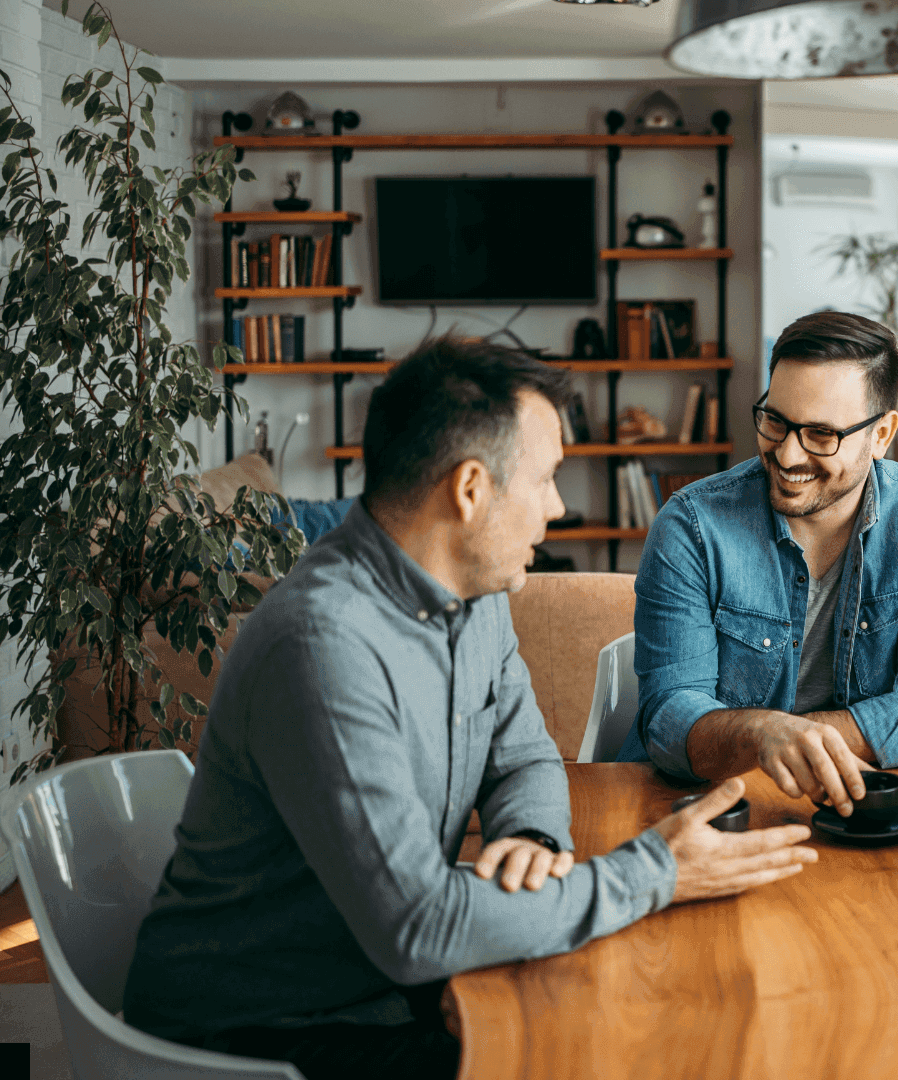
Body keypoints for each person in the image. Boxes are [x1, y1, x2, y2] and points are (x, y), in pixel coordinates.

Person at [122, 337, 818, 1080]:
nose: (556, 506)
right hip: (255, 1034)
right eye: (547, 478)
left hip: (378, 985)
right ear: (470, 489)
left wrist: (533, 841)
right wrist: (656, 874)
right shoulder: (323, 647)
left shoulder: (472, 595)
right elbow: (418, 929)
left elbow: (523, 756)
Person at [620, 311, 898, 815]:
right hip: (706, 810)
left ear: (881, 435)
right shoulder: (692, 525)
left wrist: (796, 740)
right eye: (775, 421)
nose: (787, 455)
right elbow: (667, 721)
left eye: (820, 434)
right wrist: (762, 734)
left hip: (857, 809)